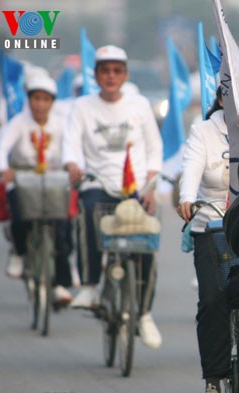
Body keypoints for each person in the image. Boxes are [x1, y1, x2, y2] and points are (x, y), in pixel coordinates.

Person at [62, 45, 164, 349]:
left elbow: (155, 147)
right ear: (95, 75)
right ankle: (91, 285)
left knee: (145, 246)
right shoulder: (82, 107)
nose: (110, 76)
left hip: (136, 187)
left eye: (116, 70)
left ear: (125, 75)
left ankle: (144, 313)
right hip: (98, 183)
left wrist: (151, 181)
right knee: (90, 213)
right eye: (104, 70)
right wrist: (72, 166)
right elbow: (70, 145)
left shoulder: (139, 105)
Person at [0, 74, 74, 306]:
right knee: (20, 217)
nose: (40, 104)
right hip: (24, 177)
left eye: (45, 99)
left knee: (61, 230)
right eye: (36, 98)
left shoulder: (60, 125)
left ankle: (60, 284)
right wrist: (3, 169)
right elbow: (1, 149)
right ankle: (19, 253)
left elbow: (70, 151)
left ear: (52, 102)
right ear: (29, 100)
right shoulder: (19, 122)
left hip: (53, 179)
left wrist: (71, 167)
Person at [177, 91, 230, 393]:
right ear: (222, 98)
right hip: (211, 223)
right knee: (213, 300)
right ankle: (214, 379)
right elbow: (192, 168)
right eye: (232, 95)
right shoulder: (204, 131)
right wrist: (186, 197)